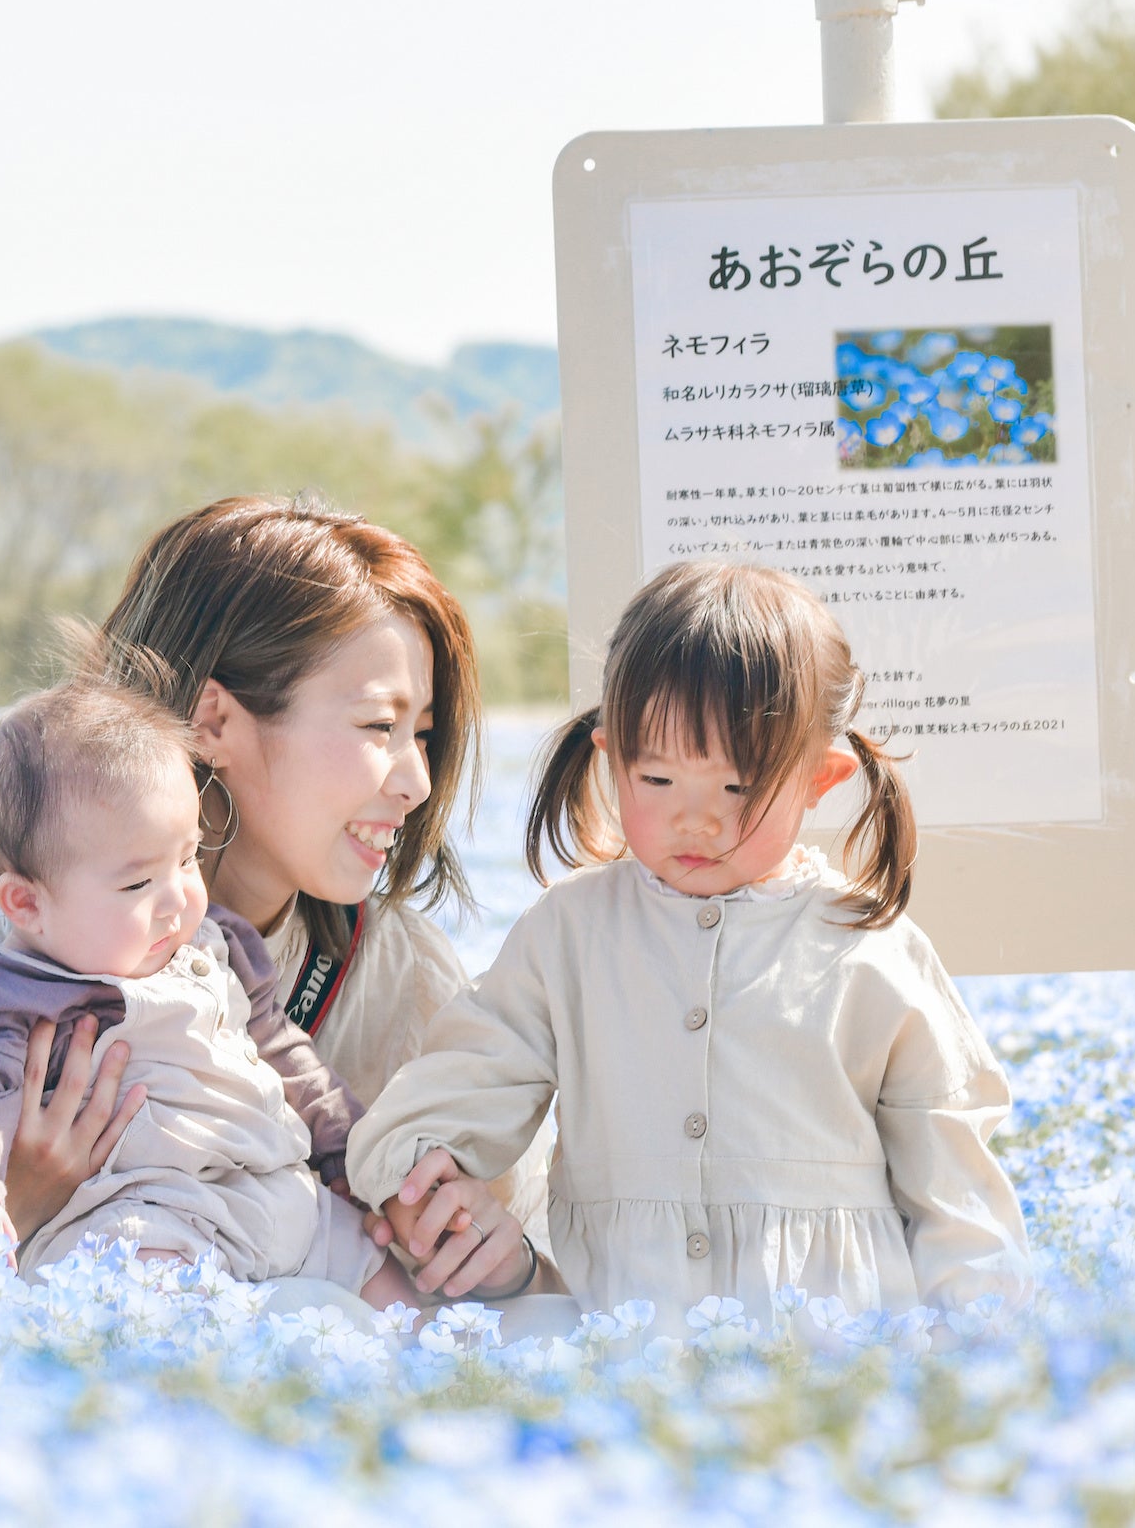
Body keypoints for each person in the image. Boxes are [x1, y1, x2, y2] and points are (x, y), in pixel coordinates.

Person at [0, 496, 550, 1304]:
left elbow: (553, 1287)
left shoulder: (400, 974)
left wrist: (496, 1261)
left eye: (425, 735)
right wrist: (13, 1214)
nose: (414, 782)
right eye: (379, 726)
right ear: (213, 720)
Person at [348, 561, 1034, 1327]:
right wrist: (414, 1172)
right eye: (658, 781)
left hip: (833, 1358)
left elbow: (953, 1182)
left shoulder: (871, 948)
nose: (695, 820)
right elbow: (473, 1070)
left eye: (737, 787)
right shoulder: (570, 935)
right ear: (612, 760)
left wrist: (982, 1338)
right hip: (622, 1346)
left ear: (821, 778)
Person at [0, 676, 418, 1309]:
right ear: (27, 903)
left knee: (394, 1284)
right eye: (137, 884)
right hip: (146, 1215)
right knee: (150, 1302)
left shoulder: (214, 941)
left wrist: (346, 1149)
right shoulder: (10, 992)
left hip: (278, 1192)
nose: (178, 899)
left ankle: (459, 1373)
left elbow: (286, 1055)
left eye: (186, 859)